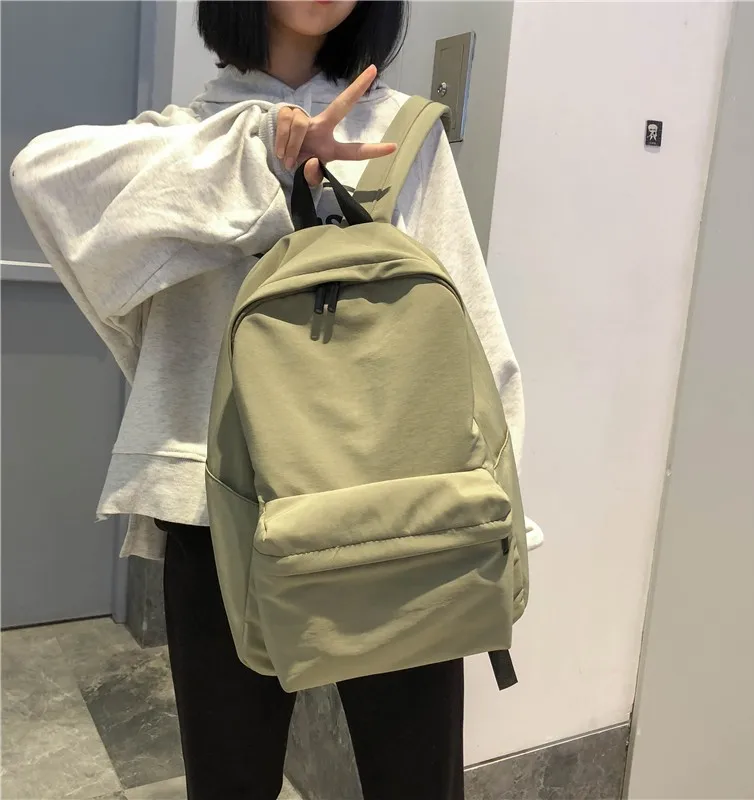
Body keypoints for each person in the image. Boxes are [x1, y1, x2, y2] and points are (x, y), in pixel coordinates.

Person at [11, 2, 527, 798]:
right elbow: (41, 177)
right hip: (217, 505)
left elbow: (472, 336)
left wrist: (503, 512)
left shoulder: (404, 131)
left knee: (417, 780)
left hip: (400, 500)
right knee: (231, 782)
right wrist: (261, 151)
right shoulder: (187, 139)